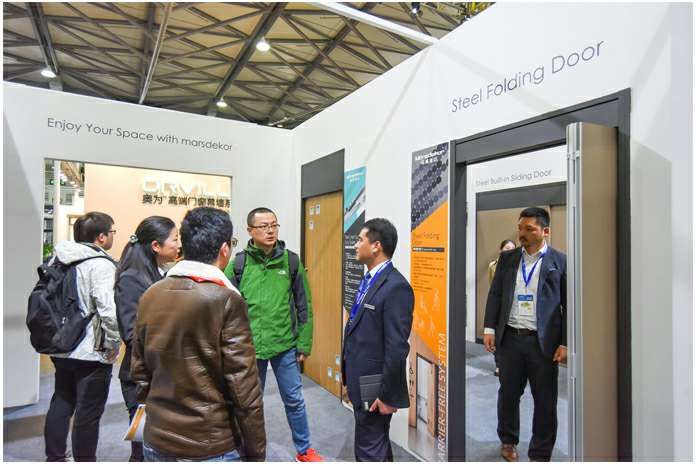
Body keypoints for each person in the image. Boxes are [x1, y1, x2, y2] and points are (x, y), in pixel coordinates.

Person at [130, 207, 265, 462]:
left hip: (156, 437)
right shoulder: (226, 299)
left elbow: (139, 371)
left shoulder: (151, 293)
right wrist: (257, 452)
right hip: (210, 443)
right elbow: (243, 387)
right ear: (224, 249)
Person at [224, 207, 323, 462]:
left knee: (294, 400)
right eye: (263, 226)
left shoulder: (291, 261)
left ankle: (304, 449)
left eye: (274, 225)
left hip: (284, 344)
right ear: (250, 231)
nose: (270, 231)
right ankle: (248, 450)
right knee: (249, 403)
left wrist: (304, 343)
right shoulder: (239, 264)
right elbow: (222, 304)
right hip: (250, 347)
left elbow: (304, 304)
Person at [483, 207, 567, 462]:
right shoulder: (508, 259)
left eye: (529, 229)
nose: (522, 233)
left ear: (545, 231)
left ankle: (540, 452)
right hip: (510, 340)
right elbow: (496, 294)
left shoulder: (559, 261)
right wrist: (489, 328)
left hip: (543, 343)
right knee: (508, 395)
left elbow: (569, 305)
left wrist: (565, 342)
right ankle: (508, 441)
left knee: (545, 401)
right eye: (520, 228)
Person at [43, 211, 121, 462]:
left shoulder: (59, 258)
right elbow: (108, 310)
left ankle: (55, 457)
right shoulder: (100, 264)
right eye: (112, 232)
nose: (113, 236)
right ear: (101, 237)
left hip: (61, 342)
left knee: (61, 401)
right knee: (88, 413)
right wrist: (114, 343)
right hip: (91, 350)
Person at [341, 218, 415, 461]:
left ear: (376, 246)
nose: (355, 245)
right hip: (359, 376)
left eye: (359, 240)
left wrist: (386, 393)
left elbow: (397, 347)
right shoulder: (369, 279)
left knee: (369, 445)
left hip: (375, 383)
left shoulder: (396, 287)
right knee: (372, 440)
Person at [114, 216, 179, 462]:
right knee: (143, 447)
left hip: (160, 373)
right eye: (174, 239)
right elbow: (131, 333)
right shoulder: (132, 279)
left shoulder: (160, 275)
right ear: (155, 246)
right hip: (140, 377)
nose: (178, 245)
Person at [488, 239, 516, 377]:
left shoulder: (517, 265)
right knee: (498, 336)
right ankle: (499, 364)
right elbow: (492, 286)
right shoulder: (493, 265)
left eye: (512, 248)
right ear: (501, 250)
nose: (510, 250)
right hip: (499, 304)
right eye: (507, 248)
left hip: (511, 305)